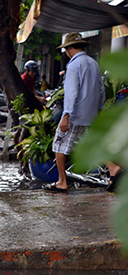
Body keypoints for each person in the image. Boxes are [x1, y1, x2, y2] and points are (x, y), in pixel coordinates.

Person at [46, 33, 109, 192]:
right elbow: (101, 89)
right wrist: (100, 110)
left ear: (69, 49)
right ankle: (113, 168)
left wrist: (65, 115)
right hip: (92, 113)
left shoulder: (74, 65)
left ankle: (62, 181)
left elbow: (71, 93)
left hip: (75, 114)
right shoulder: (93, 63)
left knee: (59, 146)